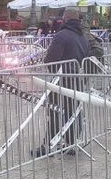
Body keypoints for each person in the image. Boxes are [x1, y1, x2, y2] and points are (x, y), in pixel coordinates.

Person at [33, 9, 90, 157]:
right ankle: (71, 144)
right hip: (77, 80)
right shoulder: (83, 36)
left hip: (62, 80)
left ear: (64, 19)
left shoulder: (61, 35)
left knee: (54, 112)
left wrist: (55, 71)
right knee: (74, 113)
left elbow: (50, 60)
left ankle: (48, 146)